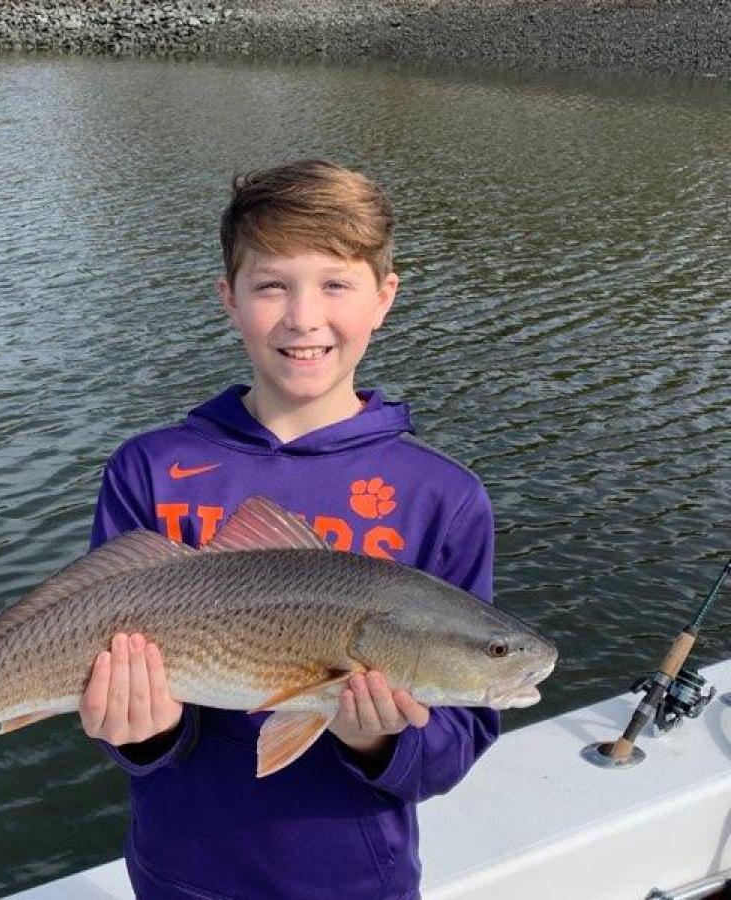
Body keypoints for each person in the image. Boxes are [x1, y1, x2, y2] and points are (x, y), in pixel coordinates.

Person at [77, 159, 499, 899]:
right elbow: (114, 707)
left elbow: (455, 744)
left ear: (384, 298)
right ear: (229, 301)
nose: (304, 317)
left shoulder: (445, 498)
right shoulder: (151, 468)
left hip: (355, 884)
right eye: (272, 284)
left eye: (336, 284)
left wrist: (378, 738)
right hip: (177, 875)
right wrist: (139, 728)